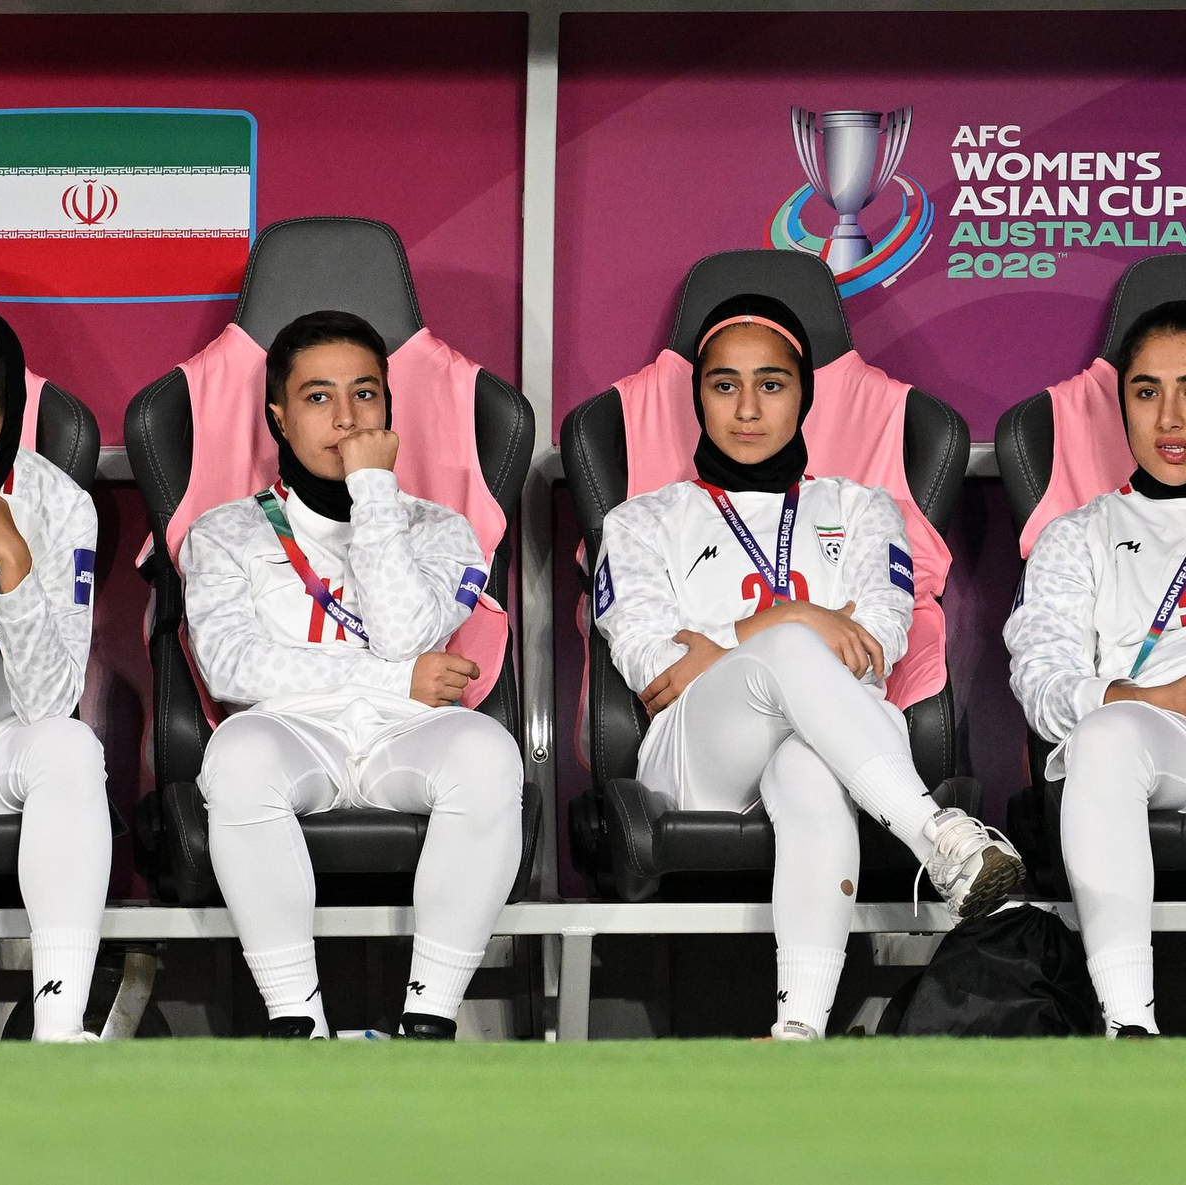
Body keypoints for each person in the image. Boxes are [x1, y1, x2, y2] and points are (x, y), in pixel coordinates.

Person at [594, 293, 1024, 1040]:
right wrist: (793, 618)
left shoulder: (863, 507)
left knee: (808, 764)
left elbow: (881, 637)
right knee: (792, 650)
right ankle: (938, 835)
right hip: (697, 752)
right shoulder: (639, 520)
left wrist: (718, 643)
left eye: (772, 382)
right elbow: (653, 664)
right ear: (698, 396)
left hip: (836, 744)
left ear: (805, 394)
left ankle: (798, 1029)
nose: (748, 407)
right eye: (724, 384)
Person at [180, 310, 522, 1040]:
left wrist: (374, 488)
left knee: (488, 753)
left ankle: (428, 1019)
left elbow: (401, 629)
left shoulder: (445, 531)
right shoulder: (224, 532)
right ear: (278, 414)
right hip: (294, 735)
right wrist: (394, 681)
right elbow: (234, 666)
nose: (344, 417)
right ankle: (297, 1022)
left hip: (407, 739)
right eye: (317, 397)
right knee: (238, 754)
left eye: (365, 395)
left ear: (390, 410)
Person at [1005, 300, 1186, 1039]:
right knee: (1106, 734)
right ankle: (1128, 1024)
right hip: (1148, 741)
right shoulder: (1077, 534)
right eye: (1148, 391)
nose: (1171, 416)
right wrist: (1145, 697)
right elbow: (1042, 682)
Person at [0, 309, 110, 1042]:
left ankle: (59, 1027)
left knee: (70, 747)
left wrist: (13, 560)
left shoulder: (61, 504)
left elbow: (49, 702)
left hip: (0, 744)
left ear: (8, 414)